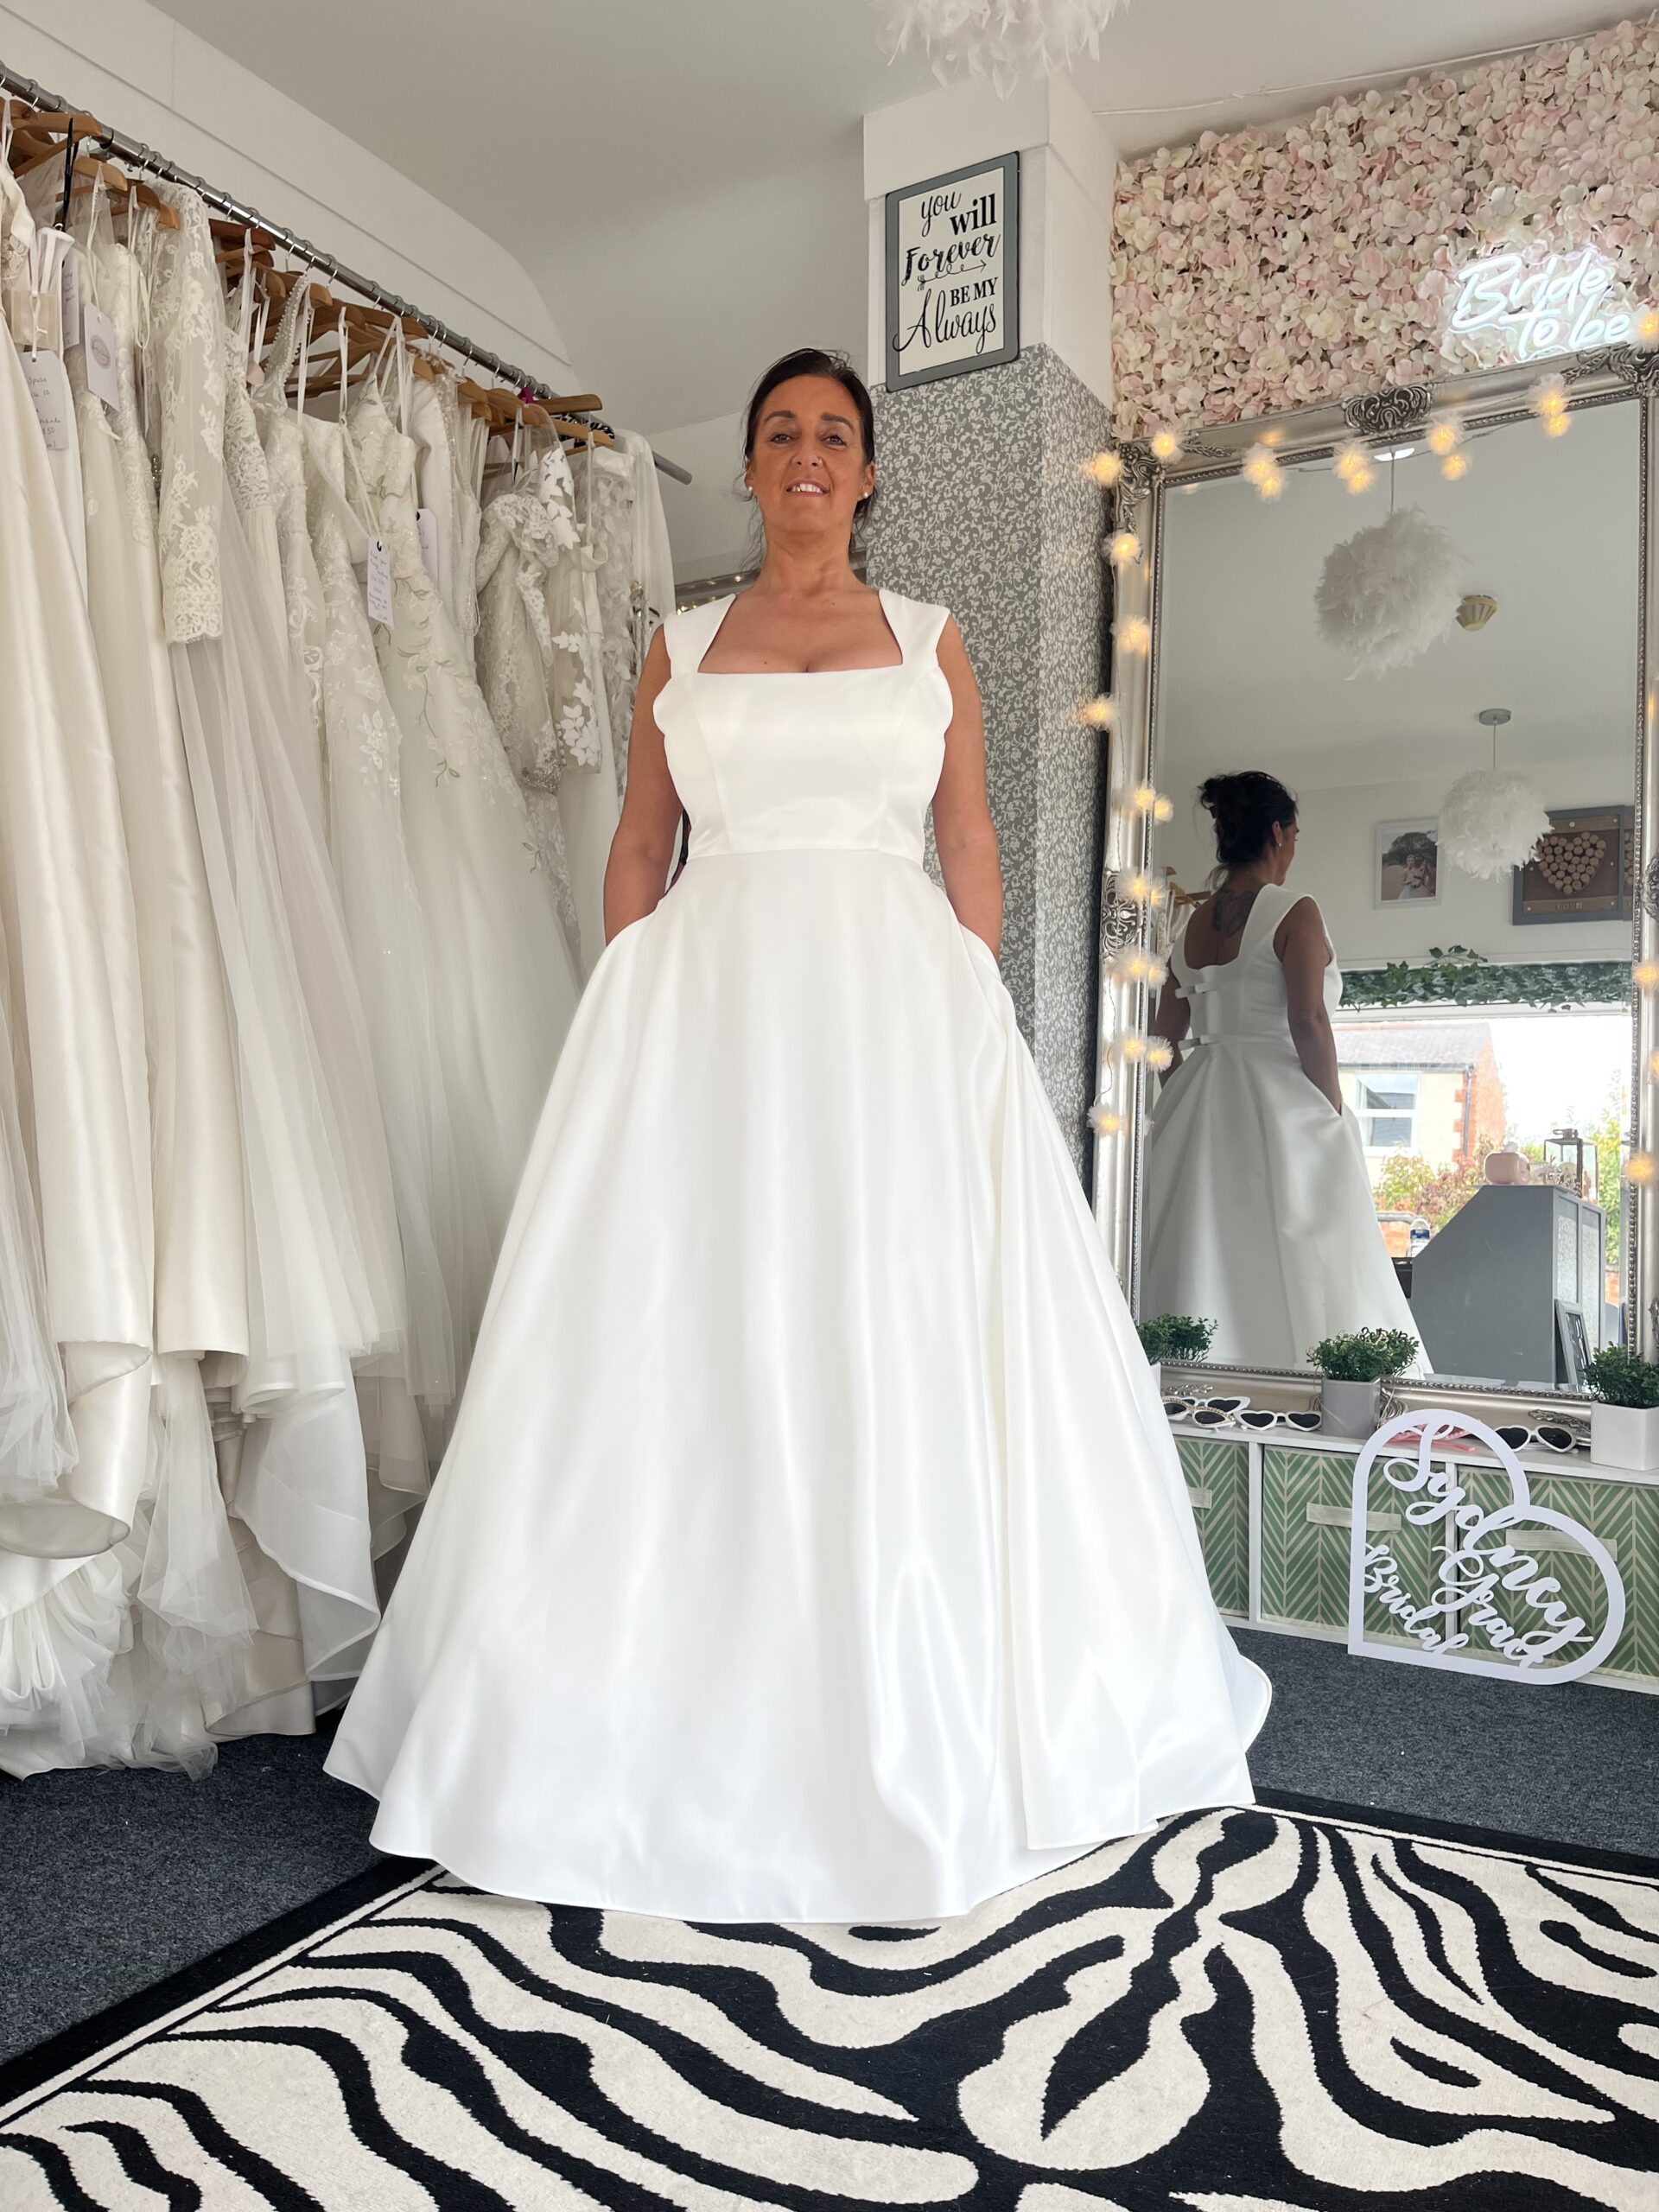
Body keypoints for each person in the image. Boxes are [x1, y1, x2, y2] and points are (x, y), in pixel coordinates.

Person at [325, 348, 1268, 1923]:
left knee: (890, 1315)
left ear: (869, 470)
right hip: (709, 1015)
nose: (808, 453)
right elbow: (641, 843)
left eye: (835, 433)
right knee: (689, 1322)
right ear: (753, 467)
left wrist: (973, 1013)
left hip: (896, 1012)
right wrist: (628, 1014)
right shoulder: (680, 643)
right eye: (781, 433)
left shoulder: (932, 637)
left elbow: (966, 838)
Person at [1143, 772, 1429, 1373]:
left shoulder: (1190, 925)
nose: (1293, 847)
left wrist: (1188, 1097)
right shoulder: (1296, 910)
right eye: (1294, 835)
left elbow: (1162, 1037)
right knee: (1307, 1249)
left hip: (1198, 1095)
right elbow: (1309, 1021)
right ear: (1277, 833)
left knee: (1203, 1242)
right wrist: (1331, 1109)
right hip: (1283, 1097)